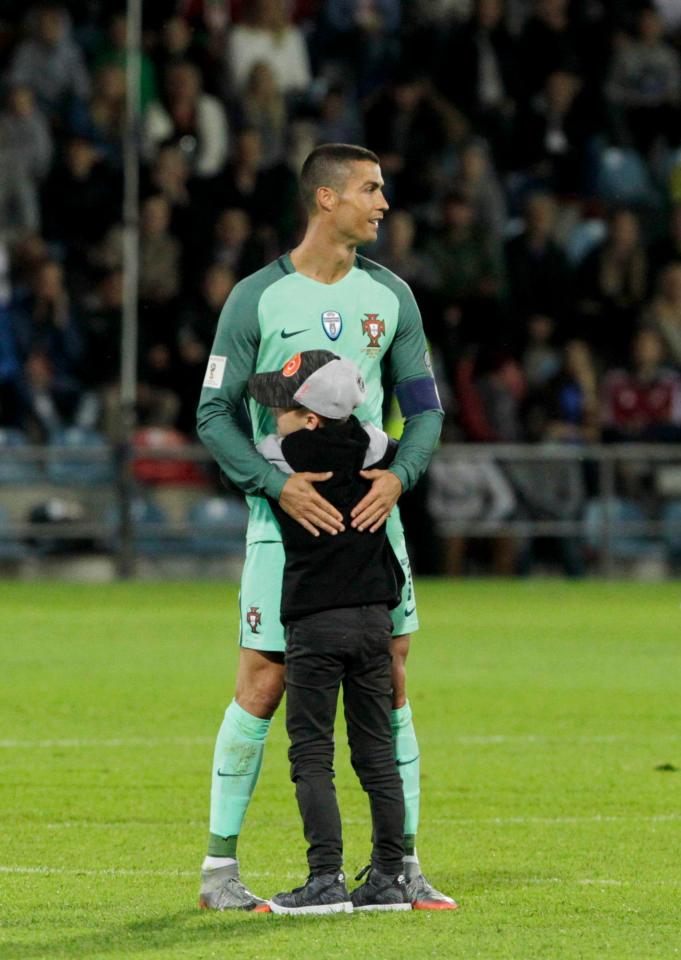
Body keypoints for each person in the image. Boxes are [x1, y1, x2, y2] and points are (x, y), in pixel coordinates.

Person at [196, 143, 455, 911]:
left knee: (393, 676)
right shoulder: (255, 299)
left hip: (373, 521)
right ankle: (218, 873)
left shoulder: (392, 297)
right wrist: (275, 485)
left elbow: (426, 409)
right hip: (285, 523)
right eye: (371, 190)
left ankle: (398, 866)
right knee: (263, 680)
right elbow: (213, 414)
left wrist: (398, 476)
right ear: (325, 199)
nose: (382, 203)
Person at [247, 349, 411, 914]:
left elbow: (236, 461)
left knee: (312, 753)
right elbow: (396, 444)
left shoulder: (280, 456)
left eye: (286, 408)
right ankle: (389, 877)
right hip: (374, 619)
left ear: (311, 418)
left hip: (316, 622)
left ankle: (325, 879)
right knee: (377, 753)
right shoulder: (374, 450)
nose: (276, 417)